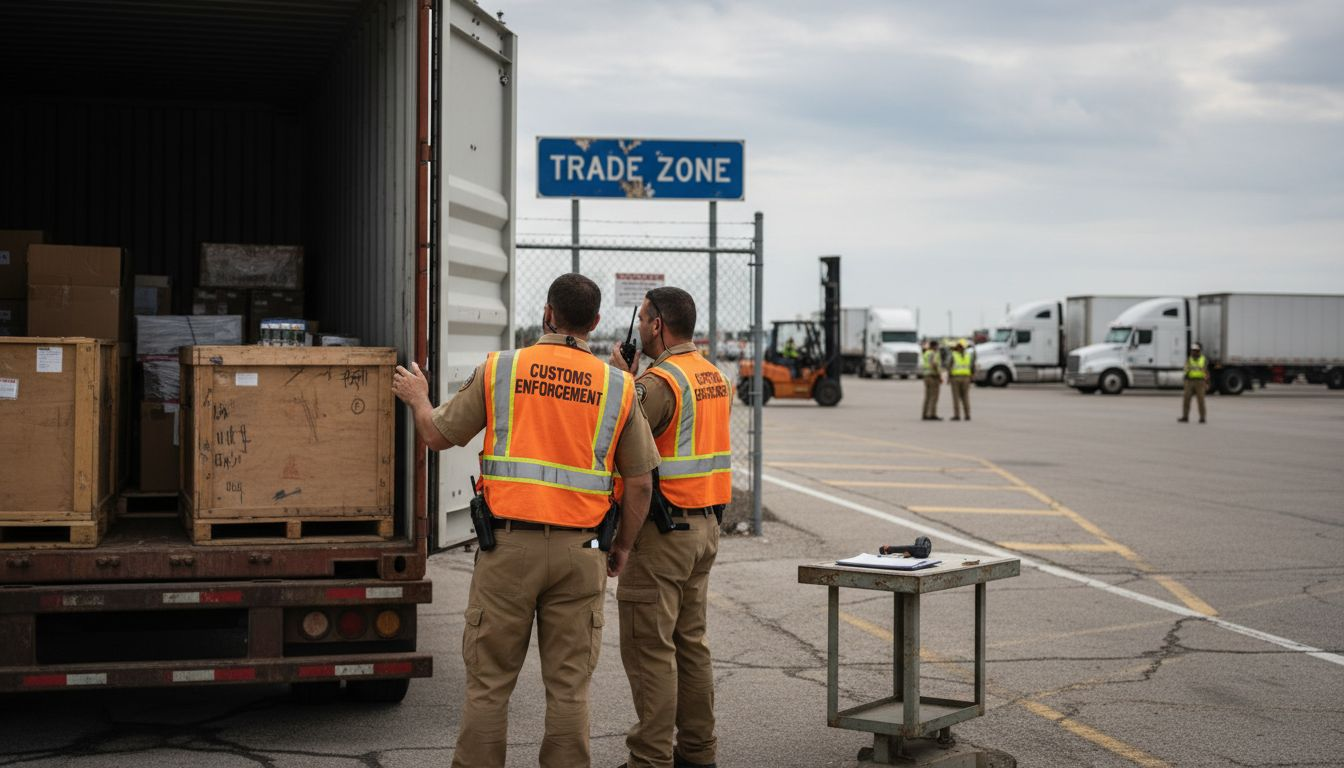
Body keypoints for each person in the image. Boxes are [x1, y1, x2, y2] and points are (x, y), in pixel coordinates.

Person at [391, 273, 659, 768]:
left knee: (490, 684)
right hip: (583, 554)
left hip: (508, 550)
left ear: (548, 313)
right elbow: (640, 483)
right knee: (569, 688)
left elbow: (437, 435)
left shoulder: (501, 369)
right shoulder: (619, 387)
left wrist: (417, 398)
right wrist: (621, 546)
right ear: (595, 322)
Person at [609, 286, 730, 768]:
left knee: (649, 650)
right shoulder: (712, 376)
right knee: (691, 645)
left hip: (661, 534)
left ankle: (650, 759)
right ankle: (698, 752)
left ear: (657, 325)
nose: (638, 327)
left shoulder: (658, 384)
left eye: (642, 319)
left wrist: (624, 381)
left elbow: (621, 437)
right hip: (704, 530)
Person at [1180, 341, 1209, 423]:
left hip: (1200, 382)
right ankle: (1185, 417)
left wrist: (1207, 383)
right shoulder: (1189, 359)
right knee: (1186, 399)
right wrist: (1185, 380)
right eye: (1193, 350)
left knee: (1201, 401)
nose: (1194, 352)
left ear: (1199, 351)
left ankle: (1202, 418)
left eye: (1195, 350)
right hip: (1189, 381)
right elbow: (1186, 370)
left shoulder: (1203, 360)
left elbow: (1206, 372)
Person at [949, 340, 972, 421]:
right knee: (965, 397)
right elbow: (972, 366)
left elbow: (949, 366)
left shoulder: (954, 355)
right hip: (966, 378)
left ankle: (957, 415)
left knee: (956, 397)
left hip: (956, 378)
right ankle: (967, 415)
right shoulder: (968, 355)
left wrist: (949, 377)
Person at [921, 340, 943, 421]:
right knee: (934, 396)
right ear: (934, 346)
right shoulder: (933, 353)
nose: (938, 348)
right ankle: (932, 414)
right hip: (933, 376)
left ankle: (925, 414)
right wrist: (939, 375)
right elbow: (934, 364)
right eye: (937, 346)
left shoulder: (926, 353)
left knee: (927, 396)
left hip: (926, 376)